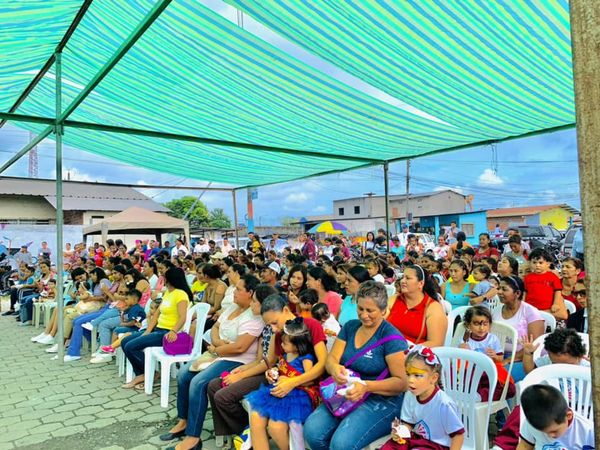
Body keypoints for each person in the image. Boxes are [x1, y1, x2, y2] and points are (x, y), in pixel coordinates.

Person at [162, 274, 263, 450]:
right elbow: (215, 327)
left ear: (250, 293)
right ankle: (184, 421)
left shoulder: (254, 315)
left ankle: (193, 438)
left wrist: (217, 349)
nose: (234, 292)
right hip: (219, 353)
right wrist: (217, 344)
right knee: (184, 374)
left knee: (198, 382)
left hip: (237, 360)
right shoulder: (233, 307)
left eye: (238, 289)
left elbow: (240, 347)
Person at [303, 281, 408, 450]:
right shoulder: (350, 327)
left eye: (370, 311)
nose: (364, 315)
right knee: (312, 432)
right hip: (348, 390)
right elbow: (332, 359)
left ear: (383, 311)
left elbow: (401, 383)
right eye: (360, 309)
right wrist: (335, 369)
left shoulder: (391, 338)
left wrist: (366, 386)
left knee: (341, 444)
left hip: (381, 398)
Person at [207, 283, 279, 439]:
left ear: (265, 304)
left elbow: (269, 363)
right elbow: (259, 359)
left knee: (223, 396)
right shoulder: (265, 327)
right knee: (213, 385)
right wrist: (241, 370)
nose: (251, 304)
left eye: (254, 301)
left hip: (270, 375)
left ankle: (249, 434)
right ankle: (231, 432)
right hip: (260, 368)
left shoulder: (275, 328)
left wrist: (241, 376)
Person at [246, 318, 319, 450]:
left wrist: (290, 380)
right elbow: (281, 370)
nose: (281, 345)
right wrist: (273, 373)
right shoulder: (286, 355)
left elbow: (310, 380)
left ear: (297, 345)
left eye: (285, 343)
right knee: (255, 417)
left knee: (275, 428)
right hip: (278, 393)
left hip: (296, 398)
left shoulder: (306, 358)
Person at [380, 346, 464, 450]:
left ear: (433, 378)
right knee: (390, 446)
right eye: (408, 374)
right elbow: (409, 424)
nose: (410, 380)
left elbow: (458, 436)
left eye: (417, 375)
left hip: (437, 445)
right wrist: (399, 432)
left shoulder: (444, 404)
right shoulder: (410, 394)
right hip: (416, 438)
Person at [122, 268, 191, 389]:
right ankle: (145, 374)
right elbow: (157, 314)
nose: (163, 279)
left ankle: (147, 375)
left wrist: (173, 331)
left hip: (167, 332)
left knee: (130, 346)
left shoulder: (181, 294)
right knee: (125, 342)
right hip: (157, 329)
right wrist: (148, 331)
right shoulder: (168, 293)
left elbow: (182, 317)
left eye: (165, 277)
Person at [492, 276, 545, 382]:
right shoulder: (496, 311)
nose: (499, 292)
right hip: (499, 355)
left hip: (524, 359)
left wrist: (509, 360)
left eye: (504, 289)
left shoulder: (530, 312)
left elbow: (534, 345)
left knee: (498, 377)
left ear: (517, 293)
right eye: (499, 288)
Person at [459, 306, 514, 402]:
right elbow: (458, 361)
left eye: (485, 324)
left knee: (508, 388)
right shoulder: (464, 340)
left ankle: (480, 396)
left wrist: (495, 356)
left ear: (489, 324)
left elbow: (500, 359)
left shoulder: (492, 339)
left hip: (488, 372)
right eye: (476, 324)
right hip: (471, 373)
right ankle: (469, 393)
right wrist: (462, 352)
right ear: (468, 325)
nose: (481, 328)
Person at [517, 384, 593, 449]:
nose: (550, 436)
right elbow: (525, 446)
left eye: (554, 431)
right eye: (543, 432)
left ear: (568, 416)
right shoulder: (533, 421)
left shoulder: (588, 431)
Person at [387, 265, 446, 347]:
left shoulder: (433, 308)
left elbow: (436, 343)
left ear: (420, 283)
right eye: (402, 277)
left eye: (408, 278)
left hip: (414, 353)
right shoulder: (394, 299)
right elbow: (378, 325)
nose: (402, 281)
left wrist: (408, 350)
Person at [521, 328, 589, 375]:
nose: (562, 369)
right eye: (555, 364)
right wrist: (528, 354)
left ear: (580, 357)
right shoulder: (547, 361)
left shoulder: (587, 367)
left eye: (567, 365)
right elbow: (530, 372)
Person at [523, 248, 567, 321]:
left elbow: (558, 291)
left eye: (540, 263)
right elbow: (525, 292)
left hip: (548, 309)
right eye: (534, 262)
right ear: (530, 263)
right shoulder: (527, 278)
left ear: (548, 264)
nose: (537, 265)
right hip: (530, 309)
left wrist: (556, 303)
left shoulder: (552, 277)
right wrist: (522, 304)